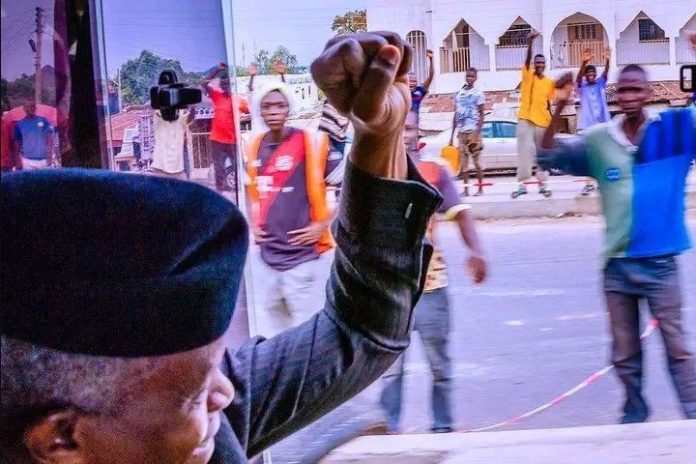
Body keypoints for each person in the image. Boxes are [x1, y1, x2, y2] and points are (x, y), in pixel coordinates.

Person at [1, 32, 443, 464]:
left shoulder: (174, 408)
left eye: (218, 368)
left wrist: (379, 135)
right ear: (61, 439)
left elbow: (361, 332)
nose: (228, 393)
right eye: (195, 397)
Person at [538, 65, 696, 424]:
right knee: (624, 353)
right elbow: (546, 156)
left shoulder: (674, 130)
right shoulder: (599, 140)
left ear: (648, 93)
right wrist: (559, 105)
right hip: (618, 266)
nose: (628, 97)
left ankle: (692, 416)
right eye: (623, 90)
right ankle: (634, 414)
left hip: (661, 264)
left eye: (636, 90)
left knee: (677, 348)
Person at [381, 110, 488, 434]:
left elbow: (461, 213)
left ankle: (442, 428)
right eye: (399, 129)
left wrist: (476, 251)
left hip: (431, 285)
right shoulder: (376, 173)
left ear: (418, 133)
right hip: (390, 291)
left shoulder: (433, 171)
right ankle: (390, 433)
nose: (405, 134)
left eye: (410, 128)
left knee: (439, 366)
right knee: (390, 370)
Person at [245, 81, 335, 338]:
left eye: (280, 105)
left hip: (303, 261)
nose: (274, 111)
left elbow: (346, 187)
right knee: (275, 338)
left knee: (308, 338)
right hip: (267, 261)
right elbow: (251, 190)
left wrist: (323, 224)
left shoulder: (311, 143)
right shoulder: (254, 146)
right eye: (267, 106)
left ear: (288, 109)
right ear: (260, 111)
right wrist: (253, 223)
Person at [513, 32, 555, 198]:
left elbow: (548, 103)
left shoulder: (549, 82)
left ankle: (543, 185)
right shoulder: (527, 75)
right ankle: (522, 186)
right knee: (523, 151)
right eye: (537, 62)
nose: (540, 65)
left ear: (545, 65)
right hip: (525, 117)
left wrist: (552, 123)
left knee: (542, 154)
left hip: (542, 120)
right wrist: (530, 43)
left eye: (542, 63)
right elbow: (527, 60)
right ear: (534, 64)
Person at [204, 62, 250, 195]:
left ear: (231, 85)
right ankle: (221, 188)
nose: (225, 86)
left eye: (227, 84)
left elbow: (250, 112)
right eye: (222, 84)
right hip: (216, 139)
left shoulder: (239, 100)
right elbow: (204, 84)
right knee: (218, 165)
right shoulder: (217, 96)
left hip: (232, 140)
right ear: (221, 86)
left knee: (237, 164)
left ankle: (239, 186)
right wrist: (217, 70)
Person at [576, 47, 612, 196]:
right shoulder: (582, 87)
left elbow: (606, 73)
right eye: (588, 73)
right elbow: (578, 79)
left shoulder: (600, 83)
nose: (591, 75)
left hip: (602, 124)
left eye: (593, 73)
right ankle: (589, 184)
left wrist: (608, 60)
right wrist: (583, 63)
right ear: (586, 75)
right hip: (588, 126)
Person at [449, 67, 485, 196]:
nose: (469, 78)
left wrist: (477, 134)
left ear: (475, 78)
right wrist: (451, 136)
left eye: (472, 76)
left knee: (477, 162)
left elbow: (482, 115)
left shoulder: (478, 94)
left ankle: (480, 189)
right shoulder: (459, 93)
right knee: (464, 164)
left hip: (473, 131)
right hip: (461, 132)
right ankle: (466, 190)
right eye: (468, 76)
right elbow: (456, 114)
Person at [12, 100, 54, 170]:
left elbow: (49, 139)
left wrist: (49, 156)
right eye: (29, 106)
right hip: (27, 161)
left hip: (43, 160)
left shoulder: (43, 120)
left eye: (33, 106)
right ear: (24, 109)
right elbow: (17, 143)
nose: (32, 108)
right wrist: (17, 160)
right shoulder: (19, 124)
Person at [409, 49, 434, 117]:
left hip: (415, 122)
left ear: (417, 83)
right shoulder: (403, 92)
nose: (411, 83)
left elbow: (430, 77)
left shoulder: (419, 91)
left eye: (414, 81)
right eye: (409, 81)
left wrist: (431, 60)